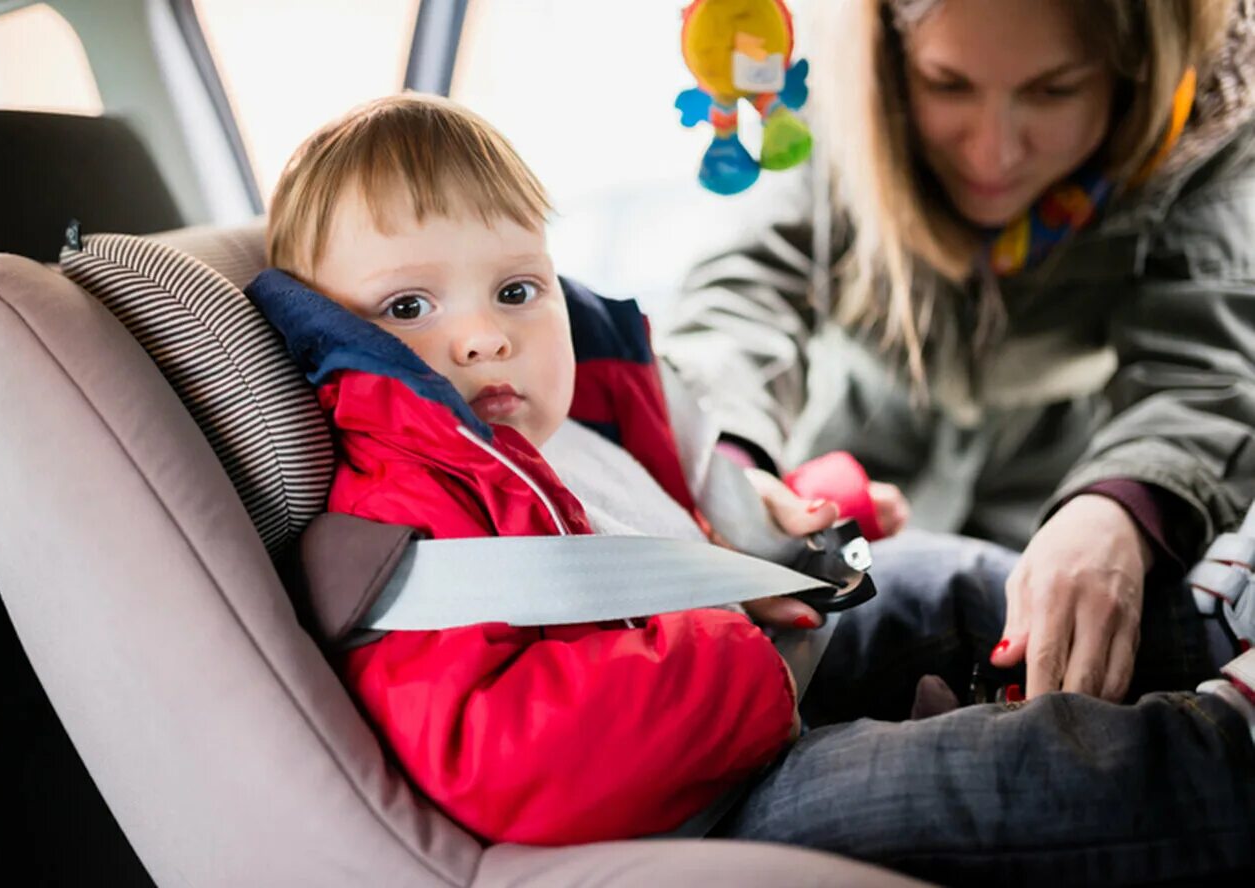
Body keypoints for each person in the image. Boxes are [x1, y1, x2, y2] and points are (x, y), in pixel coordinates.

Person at [246, 93, 1255, 883]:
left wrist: (801, 516)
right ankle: (1222, 753)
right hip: (696, 810)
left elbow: (661, 537)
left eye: (517, 289)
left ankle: (1206, 619)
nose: (482, 333)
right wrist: (726, 637)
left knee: (937, 581)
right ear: (329, 336)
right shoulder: (404, 522)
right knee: (1009, 781)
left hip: (740, 693)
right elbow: (493, 760)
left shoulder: (561, 440)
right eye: (409, 305)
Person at [663, 0, 1255, 704]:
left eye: (1054, 90)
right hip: (842, 456)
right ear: (886, 55)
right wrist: (724, 466)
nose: (993, 153)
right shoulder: (823, 93)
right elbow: (742, 295)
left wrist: (1120, 508)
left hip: (1057, 490)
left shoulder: (1210, 134)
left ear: (1138, 70)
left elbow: (1201, 374)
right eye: (947, 85)